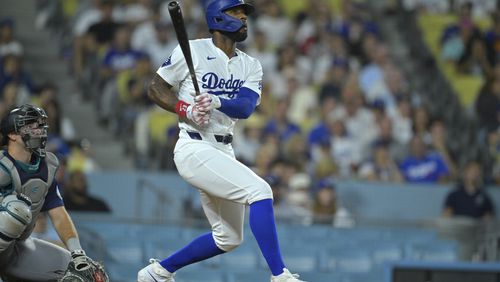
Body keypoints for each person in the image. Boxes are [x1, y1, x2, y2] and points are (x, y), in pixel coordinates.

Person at [137, 1, 305, 281]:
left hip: (223, 148)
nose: (243, 18)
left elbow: (245, 107)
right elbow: (155, 87)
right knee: (260, 191)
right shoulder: (193, 49)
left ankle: (157, 272)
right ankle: (280, 275)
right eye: (236, 12)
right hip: (193, 145)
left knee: (228, 238)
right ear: (218, 17)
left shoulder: (251, 64)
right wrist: (186, 109)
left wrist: (216, 101)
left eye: (244, 13)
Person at [0, 104, 105, 281]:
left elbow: (59, 213)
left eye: (39, 125)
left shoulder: (45, 167)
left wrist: (77, 252)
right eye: (30, 126)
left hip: (17, 249)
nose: (38, 130)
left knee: (88, 275)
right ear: (12, 134)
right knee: (15, 210)